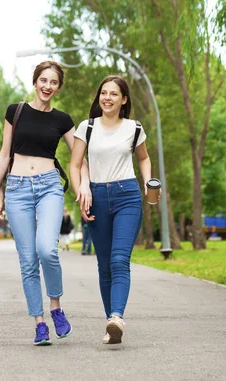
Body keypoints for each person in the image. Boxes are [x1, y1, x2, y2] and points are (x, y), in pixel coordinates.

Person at [0, 60, 91, 346]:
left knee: (47, 250)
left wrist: (84, 183)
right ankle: (39, 323)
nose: (47, 86)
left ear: (58, 87)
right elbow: (4, 154)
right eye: (43, 80)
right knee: (27, 260)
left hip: (48, 187)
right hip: (18, 190)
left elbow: (79, 156)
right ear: (35, 81)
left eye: (53, 82)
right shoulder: (16, 111)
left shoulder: (63, 119)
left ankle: (56, 307)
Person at [69, 75, 158, 345]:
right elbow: (75, 165)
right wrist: (81, 192)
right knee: (104, 265)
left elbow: (143, 158)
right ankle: (112, 324)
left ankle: (117, 316)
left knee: (119, 260)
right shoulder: (87, 127)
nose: (107, 98)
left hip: (127, 195)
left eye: (114, 94)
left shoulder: (133, 128)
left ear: (124, 99)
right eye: (103, 93)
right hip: (96, 196)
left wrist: (149, 182)